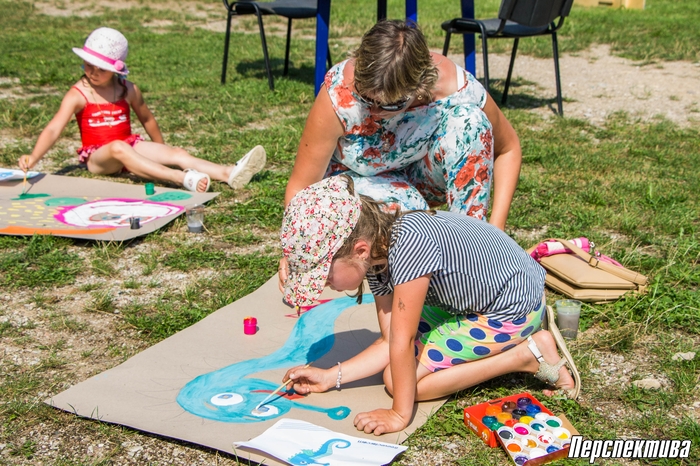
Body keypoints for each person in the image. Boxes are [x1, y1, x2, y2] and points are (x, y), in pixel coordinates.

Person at [279, 176, 579, 436]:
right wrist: (331, 376)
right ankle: (524, 351)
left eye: (326, 274)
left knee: (397, 383)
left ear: (359, 249)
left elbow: (402, 339)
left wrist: (399, 413)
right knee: (399, 360)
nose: (325, 284)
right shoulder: (377, 253)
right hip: (476, 298)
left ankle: (527, 355)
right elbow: (389, 340)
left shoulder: (410, 246)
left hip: (512, 308)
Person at [279, 19, 521, 289]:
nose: (376, 111)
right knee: (412, 233)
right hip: (355, 188)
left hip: (418, 177)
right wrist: (297, 250)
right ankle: (406, 275)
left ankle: (473, 252)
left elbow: (508, 148)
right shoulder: (338, 94)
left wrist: (495, 233)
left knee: (470, 124)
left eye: (391, 104)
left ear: (421, 86)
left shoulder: (454, 88)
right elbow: (302, 185)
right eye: (367, 99)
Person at [19, 27, 266, 193]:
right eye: (88, 65)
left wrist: (164, 151)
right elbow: (53, 129)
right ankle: (180, 179)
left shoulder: (129, 89)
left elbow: (147, 120)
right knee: (119, 148)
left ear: (115, 70)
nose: (93, 72)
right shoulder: (78, 93)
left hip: (128, 145)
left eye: (101, 69)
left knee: (177, 152)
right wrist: (34, 157)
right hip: (99, 158)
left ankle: (228, 173)